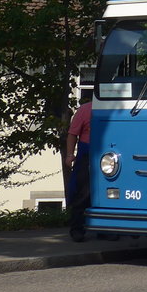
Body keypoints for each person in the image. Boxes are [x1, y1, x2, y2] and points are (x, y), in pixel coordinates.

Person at [63, 94, 92, 242]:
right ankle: (77, 228)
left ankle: (108, 229)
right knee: (83, 192)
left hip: (109, 154)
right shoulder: (85, 110)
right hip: (87, 154)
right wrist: (70, 155)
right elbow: (72, 134)